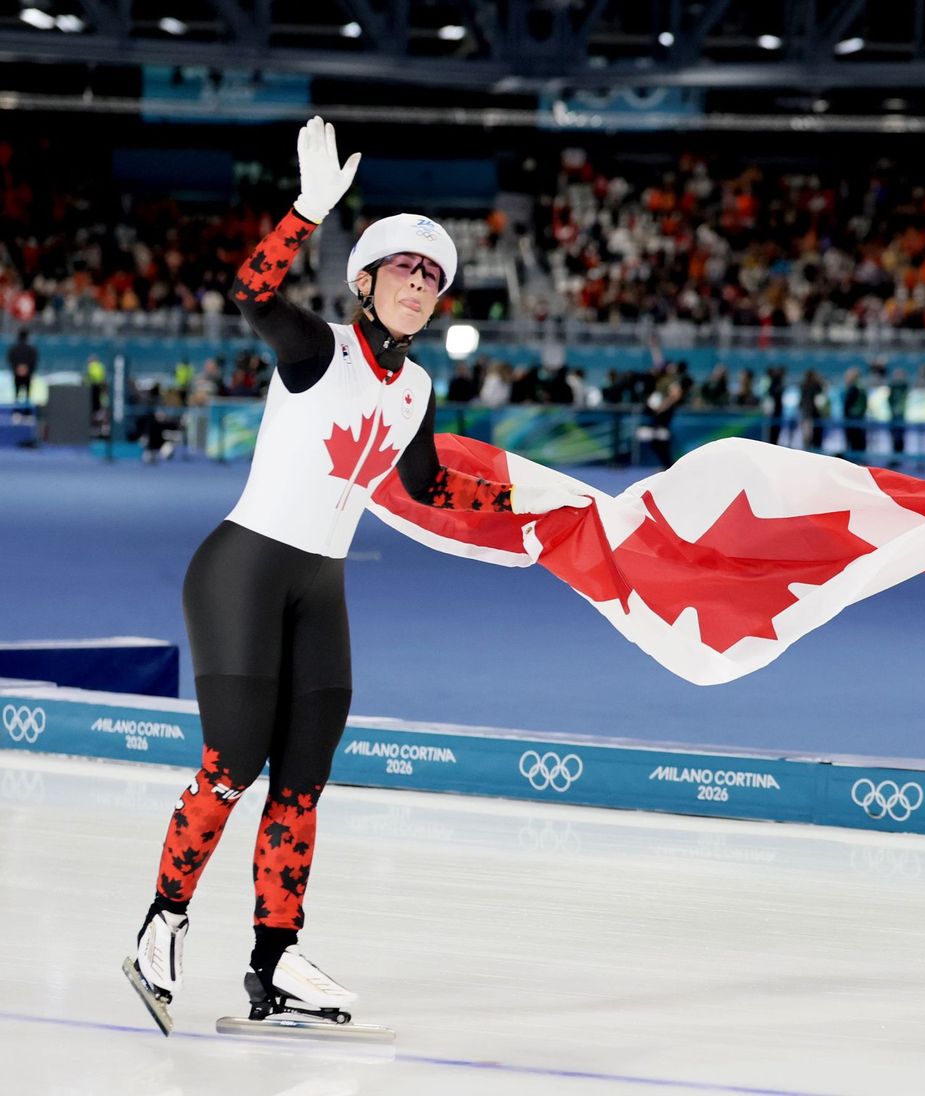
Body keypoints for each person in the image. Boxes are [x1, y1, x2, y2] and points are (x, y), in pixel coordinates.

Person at [125, 118, 583, 1035]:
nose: (419, 284)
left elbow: (428, 485)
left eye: (432, 275)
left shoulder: (414, 390)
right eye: (402, 269)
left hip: (319, 588)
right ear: (364, 282)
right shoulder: (318, 349)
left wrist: (539, 510)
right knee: (232, 765)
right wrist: (303, 211)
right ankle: (160, 926)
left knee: (302, 782)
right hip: (244, 571)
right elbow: (251, 291)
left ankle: (274, 960)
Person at [841, 366, 869, 456]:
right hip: (857, 418)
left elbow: (849, 405)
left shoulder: (855, 389)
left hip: (854, 419)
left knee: (855, 443)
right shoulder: (859, 388)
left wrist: (848, 416)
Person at [7, 328, 37, 410]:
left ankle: (16, 412)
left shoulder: (14, 348)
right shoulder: (31, 349)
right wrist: (27, 369)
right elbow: (34, 360)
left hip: (18, 374)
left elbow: (10, 360)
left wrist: (17, 369)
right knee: (27, 394)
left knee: (17, 394)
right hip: (26, 375)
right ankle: (26, 412)